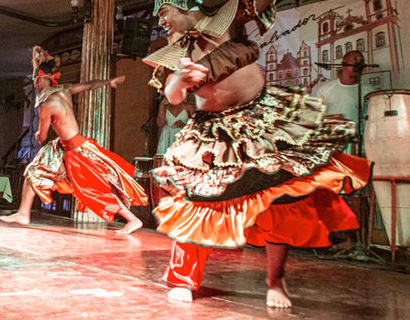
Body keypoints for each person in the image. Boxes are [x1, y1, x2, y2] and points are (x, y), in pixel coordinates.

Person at [143, 0, 373, 308]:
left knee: (278, 199)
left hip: (261, 121)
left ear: (185, 5)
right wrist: (180, 81)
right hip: (214, 133)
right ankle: (185, 278)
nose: (161, 22)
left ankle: (275, 280)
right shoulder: (179, 51)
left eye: (163, 12)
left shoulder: (226, 23)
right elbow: (172, 95)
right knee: (196, 203)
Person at [0, 46, 148, 235]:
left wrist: (38, 136)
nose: (34, 86)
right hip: (67, 147)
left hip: (76, 151)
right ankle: (23, 213)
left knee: (96, 188)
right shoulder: (65, 89)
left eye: (34, 81)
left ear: (39, 80)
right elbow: (91, 84)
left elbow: (42, 135)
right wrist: (109, 81)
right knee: (33, 171)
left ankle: (133, 219)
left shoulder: (47, 104)